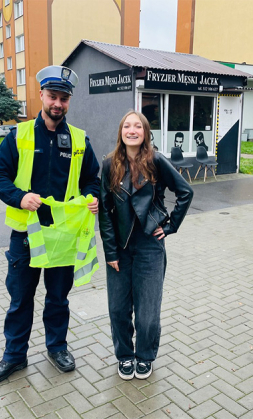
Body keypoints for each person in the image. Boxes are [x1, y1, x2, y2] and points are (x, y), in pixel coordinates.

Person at [0, 65, 101, 384]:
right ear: (41, 96)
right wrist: (20, 197)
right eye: (53, 96)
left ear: (68, 101)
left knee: (58, 299)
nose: (58, 104)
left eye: (64, 98)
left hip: (62, 237)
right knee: (20, 299)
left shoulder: (79, 140)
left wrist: (92, 197)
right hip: (25, 236)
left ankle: (57, 348)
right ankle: (14, 357)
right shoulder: (19, 136)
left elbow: (92, 178)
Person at [99, 111, 193, 380]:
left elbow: (186, 192)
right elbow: (105, 212)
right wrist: (110, 251)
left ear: (145, 132)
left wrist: (171, 225)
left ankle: (145, 356)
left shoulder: (156, 160)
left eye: (137, 126)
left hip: (150, 244)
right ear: (120, 132)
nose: (131, 130)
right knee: (118, 308)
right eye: (126, 125)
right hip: (120, 246)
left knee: (147, 313)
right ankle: (125, 356)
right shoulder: (108, 165)